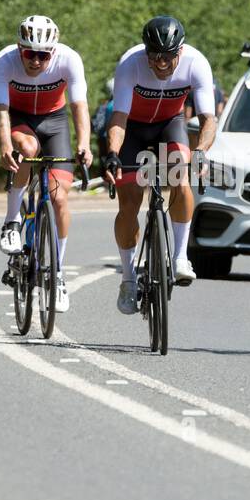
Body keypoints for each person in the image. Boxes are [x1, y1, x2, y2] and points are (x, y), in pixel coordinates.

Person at [102, 16, 217, 314]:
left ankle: (180, 257)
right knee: (129, 203)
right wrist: (113, 152)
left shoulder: (196, 62)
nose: (162, 63)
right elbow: (119, 118)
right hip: (133, 130)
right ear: (145, 52)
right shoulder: (131, 63)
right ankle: (128, 279)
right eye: (155, 57)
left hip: (170, 124)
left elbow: (208, 120)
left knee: (180, 175)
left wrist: (201, 151)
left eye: (169, 57)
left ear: (180, 51)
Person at [0, 15, 92, 311]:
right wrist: (5, 146)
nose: (35, 61)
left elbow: (79, 106)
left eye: (42, 55)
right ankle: (12, 222)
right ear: (19, 48)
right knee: (28, 147)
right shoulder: (4, 61)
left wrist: (84, 144)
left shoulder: (69, 60)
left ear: (54, 52)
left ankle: (57, 274)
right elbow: (0, 109)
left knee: (59, 198)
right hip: (20, 121)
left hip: (55, 122)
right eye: (29, 53)